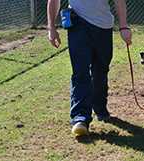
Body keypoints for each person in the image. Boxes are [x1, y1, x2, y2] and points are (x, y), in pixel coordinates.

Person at [47, 0, 132, 137]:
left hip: (103, 27)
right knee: (80, 72)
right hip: (78, 24)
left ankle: (99, 107)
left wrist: (123, 27)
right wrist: (51, 28)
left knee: (101, 70)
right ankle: (80, 118)